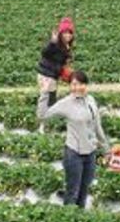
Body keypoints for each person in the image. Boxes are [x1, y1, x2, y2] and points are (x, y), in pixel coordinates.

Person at [37, 70, 110, 208]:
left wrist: (106, 149)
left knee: (84, 191)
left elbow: (97, 127)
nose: (77, 88)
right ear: (70, 86)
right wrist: (44, 93)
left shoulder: (91, 100)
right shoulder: (66, 103)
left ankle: (79, 218)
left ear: (86, 85)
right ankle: (69, 218)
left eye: (81, 84)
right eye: (74, 84)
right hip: (74, 154)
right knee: (72, 192)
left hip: (91, 154)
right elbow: (42, 115)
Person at [37, 17, 76, 120]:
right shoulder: (55, 44)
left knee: (52, 97)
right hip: (46, 75)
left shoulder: (66, 45)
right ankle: (41, 119)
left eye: (70, 33)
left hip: (52, 75)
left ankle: (49, 118)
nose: (67, 35)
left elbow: (60, 61)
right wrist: (52, 42)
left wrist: (64, 69)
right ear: (60, 33)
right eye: (65, 33)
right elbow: (45, 53)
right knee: (45, 96)